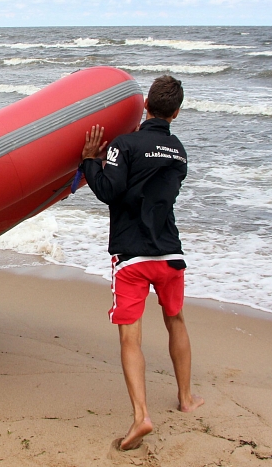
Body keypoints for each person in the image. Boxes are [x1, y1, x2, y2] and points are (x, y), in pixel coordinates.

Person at [79, 74, 204, 451]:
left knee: (130, 337)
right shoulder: (179, 152)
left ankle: (141, 417)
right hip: (169, 253)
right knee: (175, 320)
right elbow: (154, 186)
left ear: (146, 104)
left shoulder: (125, 144)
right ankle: (185, 399)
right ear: (176, 113)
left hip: (131, 257)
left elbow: (109, 191)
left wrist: (90, 161)